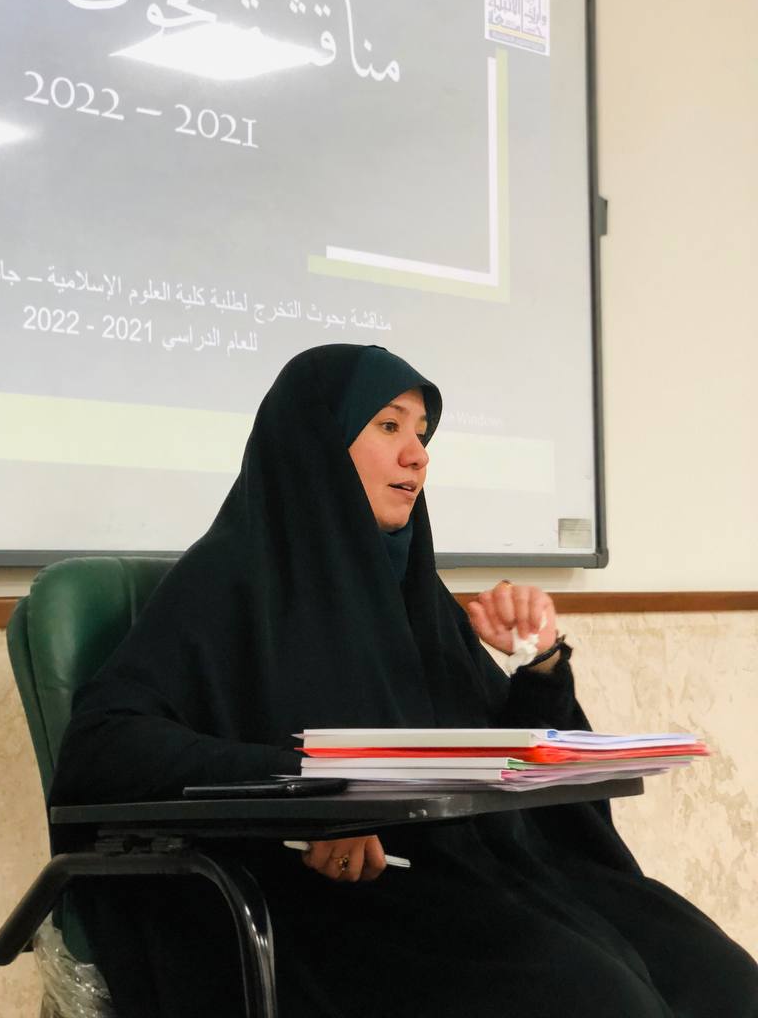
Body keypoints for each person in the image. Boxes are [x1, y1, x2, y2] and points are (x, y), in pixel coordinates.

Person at [52, 344, 758, 1017]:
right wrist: (312, 800)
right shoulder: (228, 582)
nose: (417, 453)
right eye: (389, 426)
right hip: (346, 911)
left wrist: (539, 665)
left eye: (421, 432)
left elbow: (500, 764)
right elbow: (105, 744)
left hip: (485, 878)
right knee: (600, 1000)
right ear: (318, 445)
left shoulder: (415, 596)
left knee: (721, 979)